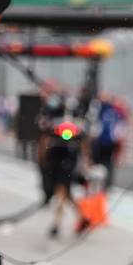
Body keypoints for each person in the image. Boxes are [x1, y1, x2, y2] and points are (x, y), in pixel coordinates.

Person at [37, 94, 89, 238]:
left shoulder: (76, 120)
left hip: (67, 157)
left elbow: (83, 140)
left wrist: (85, 162)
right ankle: (83, 217)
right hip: (54, 157)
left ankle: (56, 224)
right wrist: (42, 159)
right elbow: (43, 138)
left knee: (62, 189)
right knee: (65, 192)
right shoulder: (49, 116)